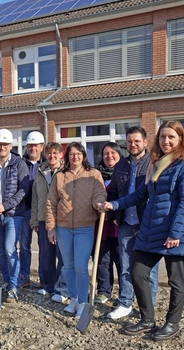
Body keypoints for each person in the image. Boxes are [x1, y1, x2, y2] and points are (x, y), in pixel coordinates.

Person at [99, 121, 184, 340]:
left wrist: (175, 233)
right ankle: (147, 319)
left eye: (171, 137)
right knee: (138, 272)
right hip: (152, 230)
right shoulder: (159, 164)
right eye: (163, 137)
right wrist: (114, 205)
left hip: (176, 233)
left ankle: (172, 324)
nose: (166, 141)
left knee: (176, 281)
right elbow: (140, 195)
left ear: (181, 139)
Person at [46, 142, 107, 318]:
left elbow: (99, 194)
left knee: (81, 266)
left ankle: (83, 301)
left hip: (85, 227)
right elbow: (51, 202)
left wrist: (99, 203)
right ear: (67, 156)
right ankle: (73, 299)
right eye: (72, 154)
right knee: (68, 266)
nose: (75, 157)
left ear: (83, 155)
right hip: (63, 227)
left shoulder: (93, 174)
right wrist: (51, 227)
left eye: (78, 154)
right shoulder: (60, 176)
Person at [106, 126, 160, 319]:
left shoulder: (154, 164)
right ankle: (125, 303)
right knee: (126, 266)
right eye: (129, 141)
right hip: (126, 224)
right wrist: (112, 214)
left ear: (145, 142)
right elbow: (113, 191)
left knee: (150, 270)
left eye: (137, 141)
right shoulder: (121, 166)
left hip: (147, 225)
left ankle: (148, 307)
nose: (133, 144)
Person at [0, 129, 29, 302]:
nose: (2, 147)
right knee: (0, 251)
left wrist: (5, 205)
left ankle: (15, 287)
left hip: (13, 215)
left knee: (10, 249)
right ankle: (7, 282)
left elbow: (24, 190)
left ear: (10, 146)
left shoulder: (19, 164)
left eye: (5, 144)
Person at [94, 143, 127, 306]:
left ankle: (125, 293)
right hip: (101, 225)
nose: (109, 156)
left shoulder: (124, 174)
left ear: (119, 155)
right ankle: (104, 290)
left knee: (121, 260)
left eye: (113, 153)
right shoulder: (96, 175)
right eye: (106, 153)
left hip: (118, 224)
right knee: (102, 260)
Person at [30, 142, 64, 299]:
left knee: (62, 255)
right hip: (44, 219)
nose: (52, 156)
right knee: (46, 255)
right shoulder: (40, 172)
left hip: (62, 220)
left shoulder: (65, 171)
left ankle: (61, 288)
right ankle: (48, 285)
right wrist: (35, 220)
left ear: (61, 155)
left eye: (55, 153)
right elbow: (35, 198)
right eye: (49, 153)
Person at [19, 131, 45, 289]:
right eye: (30, 145)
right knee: (24, 246)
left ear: (41, 147)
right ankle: (24, 277)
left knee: (44, 247)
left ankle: (44, 278)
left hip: (41, 211)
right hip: (24, 210)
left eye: (35, 145)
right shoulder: (20, 163)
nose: (32, 148)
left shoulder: (48, 164)